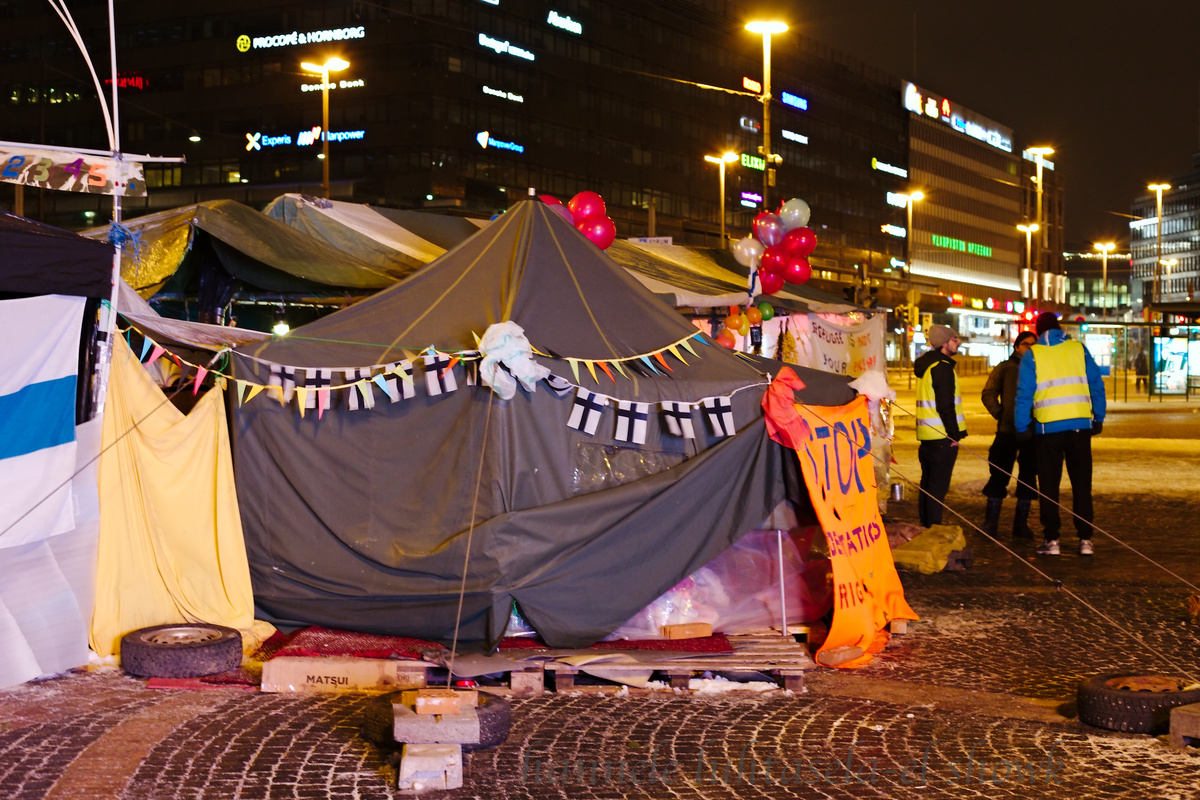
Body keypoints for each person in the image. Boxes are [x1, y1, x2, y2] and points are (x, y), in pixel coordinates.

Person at [1014, 312, 1106, 556]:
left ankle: (1052, 539)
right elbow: (1096, 384)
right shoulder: (1078, 349)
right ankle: (1085, 539)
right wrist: (1098, 417)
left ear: (1038, 330)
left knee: (1049, 487)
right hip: (1080, 427)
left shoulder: (1033, 354)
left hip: (1048, 429)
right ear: (1059, 328)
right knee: (1082, 485)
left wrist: (1021, 426)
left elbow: (1024, 393)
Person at [980, 331, 1038, 538]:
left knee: (1028, 477)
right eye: (1026, 344)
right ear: (1017, 347)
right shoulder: (1005, 368)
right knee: (998, 475)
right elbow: (988, 393)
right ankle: (991, 522)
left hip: (1031, 432)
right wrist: (1000, 413)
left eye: (1033, 344)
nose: (1030, 348)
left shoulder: (1039, 368)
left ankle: (1021, 524)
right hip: (1007, 430)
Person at [913, 325, 966, 527]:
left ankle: (926, 526)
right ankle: (933, 528)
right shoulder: (942, 368)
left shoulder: (928, 366)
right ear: (944, 343)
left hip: (928, 437)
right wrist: (954, 434)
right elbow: (946, 406)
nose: (958, 342)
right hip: (942, 437)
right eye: (954, 339)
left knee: (928, 485)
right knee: (937, 488)